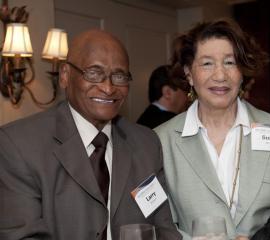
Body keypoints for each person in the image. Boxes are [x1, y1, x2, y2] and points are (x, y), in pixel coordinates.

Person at [0, 29, 181, 240]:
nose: (108, 87)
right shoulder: (18, 145)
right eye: (94, 73)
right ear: (65, 76)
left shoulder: (146, 144)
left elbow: (164, 229)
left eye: (119, 76)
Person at [155, 19, 270, 240]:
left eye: (230, 62)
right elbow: (159, 225)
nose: (220, 75)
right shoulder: (160, 141)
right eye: (207, 63)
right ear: (189, 74)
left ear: (242, 71)